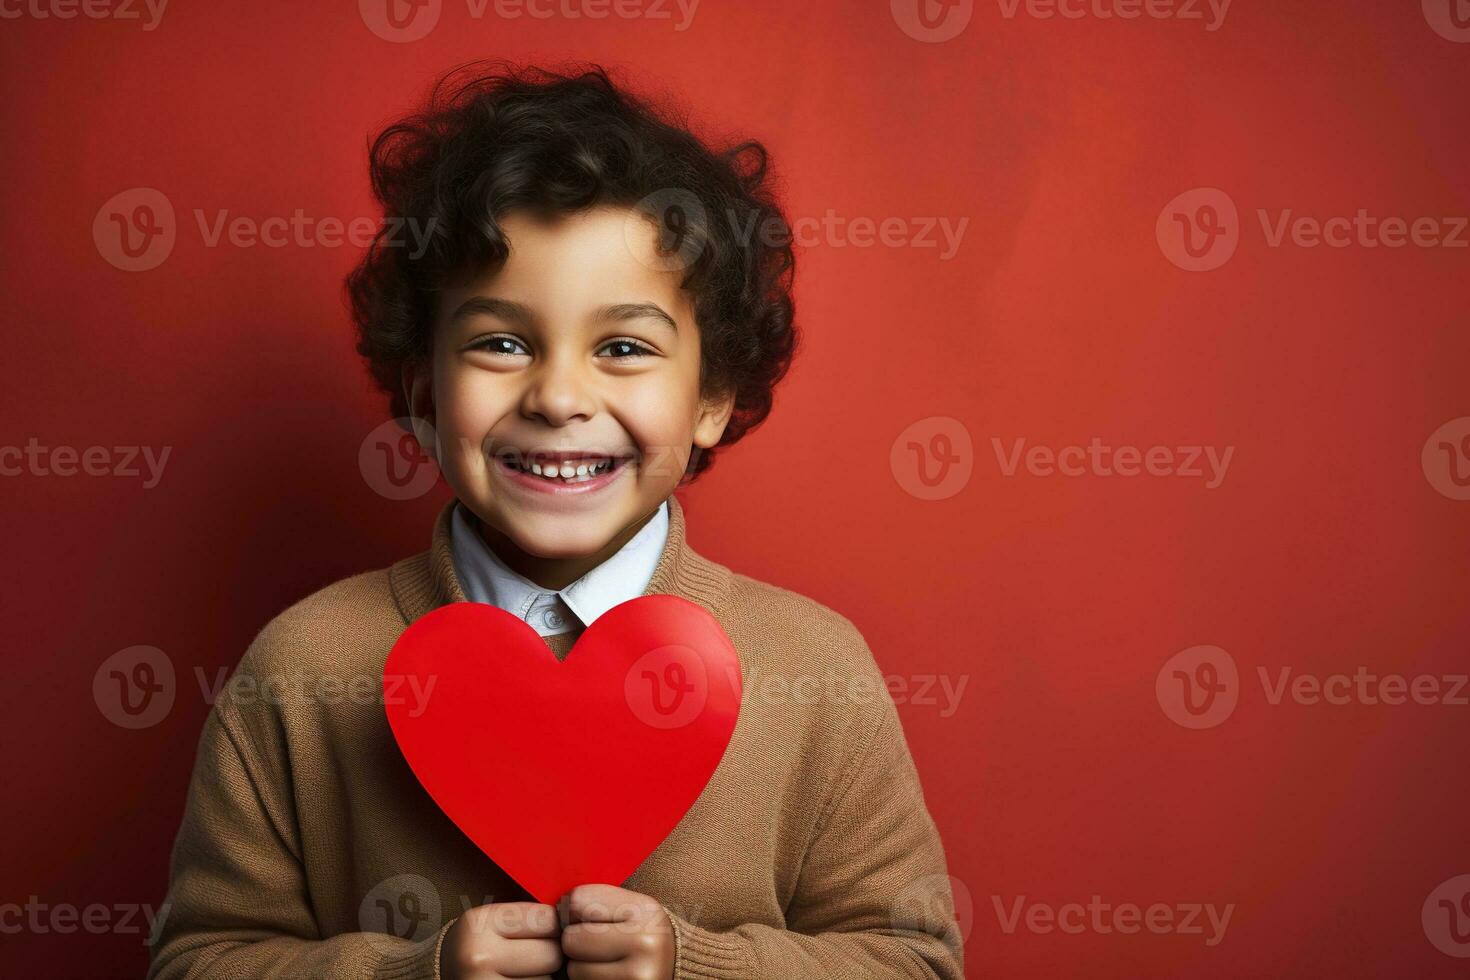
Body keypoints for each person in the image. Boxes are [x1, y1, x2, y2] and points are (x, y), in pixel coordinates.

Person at [147, 61, 964, 980]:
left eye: (623, 347)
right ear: (422, 390)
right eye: (501, 342)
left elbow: (914, 962)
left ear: (711, 399)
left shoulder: (815, 670)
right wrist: (411, 972)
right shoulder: (302, 668)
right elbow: (197, 961)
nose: (560, 396)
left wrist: (699, 966)